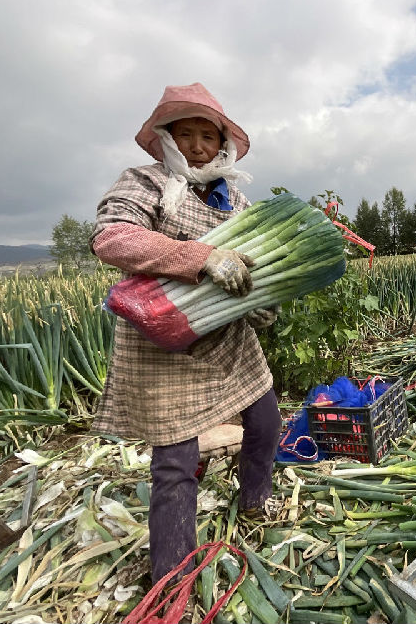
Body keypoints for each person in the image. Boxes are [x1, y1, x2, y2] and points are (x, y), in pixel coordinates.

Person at [91, 83, 281, 585]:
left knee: (264, 419)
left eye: (208, 136)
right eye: (186, 134)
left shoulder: (234, 196)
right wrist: (203, 257)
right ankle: (171, 579)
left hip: (227, 333)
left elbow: (256, 266)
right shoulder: (146, 182)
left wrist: (265, 300)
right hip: (163, 335)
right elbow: (112, 237)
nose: (198, 147)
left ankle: (256, 499)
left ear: (224, 145)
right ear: (166, 139)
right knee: (176, 460)